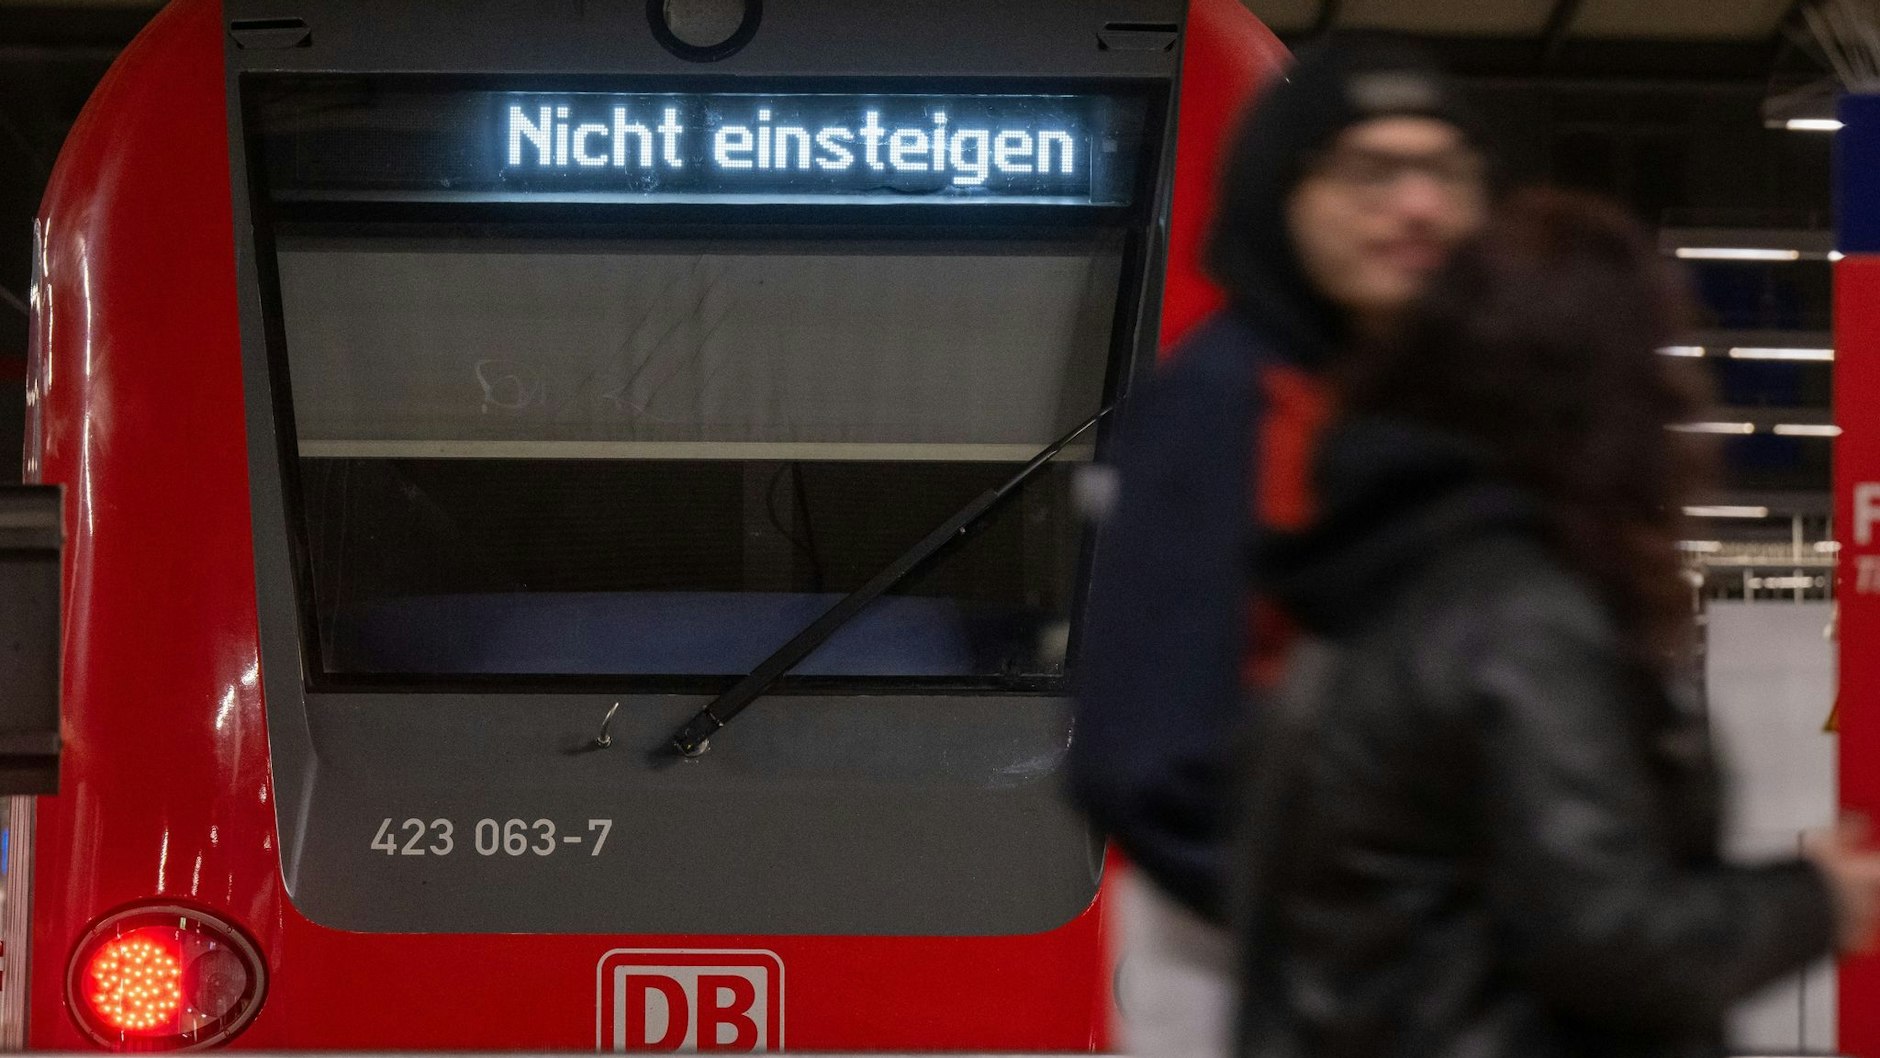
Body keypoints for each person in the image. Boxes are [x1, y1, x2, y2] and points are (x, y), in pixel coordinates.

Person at [1235, 189, 1880, 1058]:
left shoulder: (1379, 574)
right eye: (1655, 356)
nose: (1679, 393)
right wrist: (1821, 900)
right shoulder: (1519, 620)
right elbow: (1606, 935)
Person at [1071, 36, 1490, 1056]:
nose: (1415, 206)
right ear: (1284, 195)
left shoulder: (1440, 399)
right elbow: (1142, 753)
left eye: (1441, 170)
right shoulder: (1220, 404)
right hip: (1263, 969)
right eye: (1369, 172)